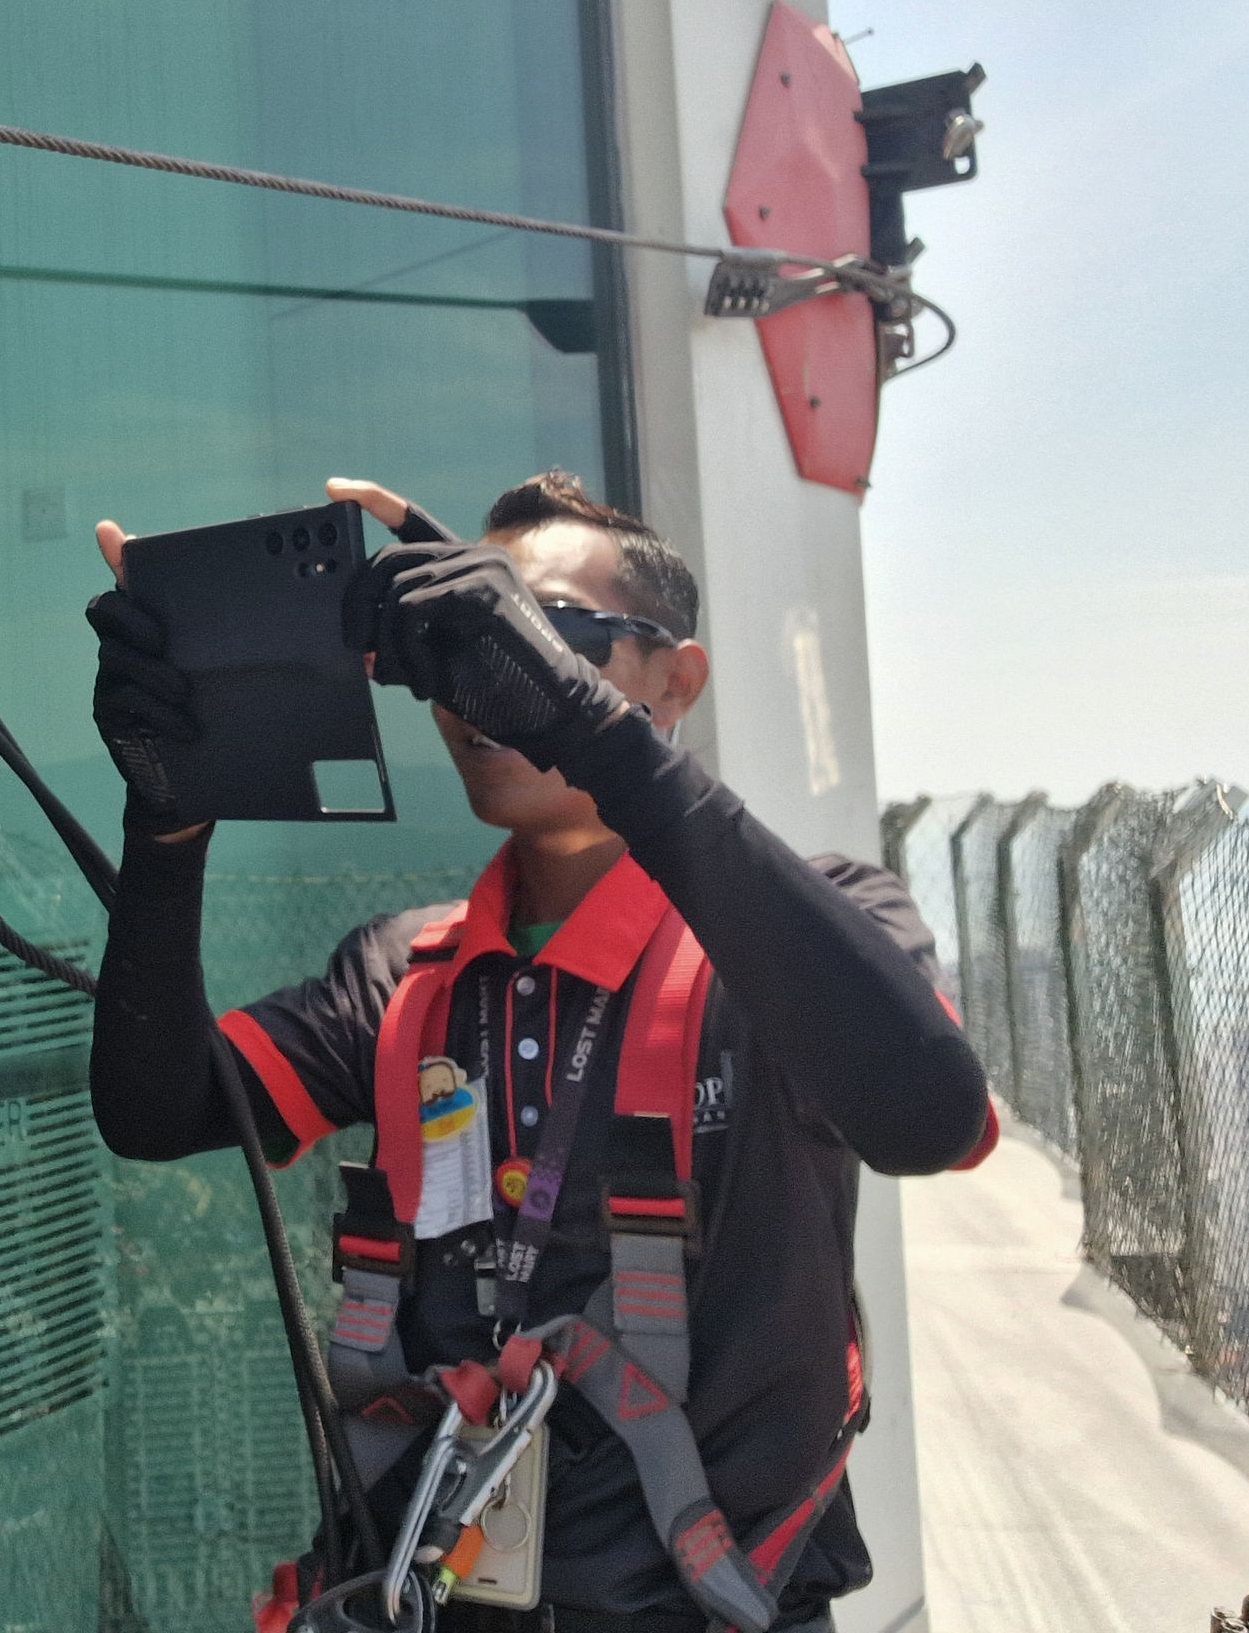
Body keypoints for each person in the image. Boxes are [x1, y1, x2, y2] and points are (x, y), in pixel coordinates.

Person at [84, 472, 994, 1633]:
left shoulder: (803, 933)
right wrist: (166, 820)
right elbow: (155, 1111)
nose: (488, 688)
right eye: (462, 648)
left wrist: (583, 729)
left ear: (676, 682)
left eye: (548, 634)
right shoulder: (406, 974)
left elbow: (932, 1118)